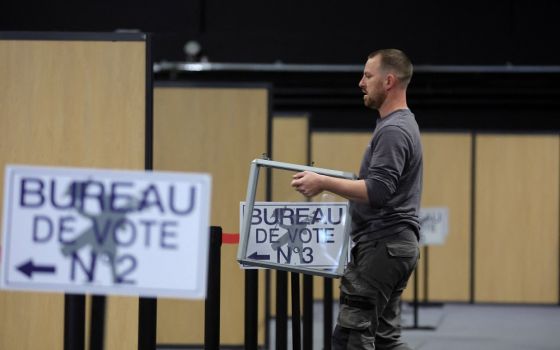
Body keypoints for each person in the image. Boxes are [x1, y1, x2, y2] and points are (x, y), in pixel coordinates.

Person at [291, 48, 422, 350]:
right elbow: (378, 185)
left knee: (351, 338)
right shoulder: (399, 125)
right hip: (392, 245)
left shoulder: (393, 130)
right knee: (384, 340)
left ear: (388, 81)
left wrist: (322, 182)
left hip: (382, 245)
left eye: (367, 75)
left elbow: (377, 191)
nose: (361, 82)